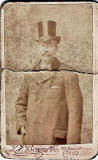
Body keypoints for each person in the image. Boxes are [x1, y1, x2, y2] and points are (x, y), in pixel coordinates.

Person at [15, 20, 83, 145]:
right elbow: (21, 103)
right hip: (31, 139)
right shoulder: (29, 74)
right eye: (42, 46)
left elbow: (75, 113)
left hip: (55, 141)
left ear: (56, 48)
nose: (45, 50)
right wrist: (22, 125)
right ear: (37, 48)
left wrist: (72, 148)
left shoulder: (68, 73)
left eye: (49, 45)